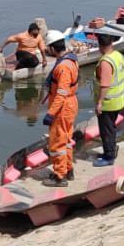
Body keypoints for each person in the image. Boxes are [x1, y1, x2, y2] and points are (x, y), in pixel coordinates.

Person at [41, 30, 80, 186]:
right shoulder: (71, 60)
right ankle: (68, 170)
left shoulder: (63, 67)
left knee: (58, 142)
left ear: (52, 48)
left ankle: (59, 176)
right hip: (70, 104)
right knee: (67, 140)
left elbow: (61, 94)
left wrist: (51, 113)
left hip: (62, 108)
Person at [90, 25, 124, 167]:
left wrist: (99, 103)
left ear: (100, 46)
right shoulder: (118, 56)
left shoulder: (105, 62)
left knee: (106, 130)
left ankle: (109, 156)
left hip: (108, 103)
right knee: (111, 127)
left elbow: (105, 85)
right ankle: (112, 149)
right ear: (111, 42)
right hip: (118, 100)